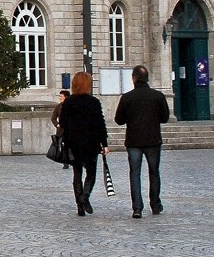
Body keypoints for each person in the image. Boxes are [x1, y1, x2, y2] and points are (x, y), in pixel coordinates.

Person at [114, 63, 171, 219]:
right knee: (154, 172)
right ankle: (155, 204)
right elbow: (165, 118)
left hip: (134, 141)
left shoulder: (127, 97)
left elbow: (119, 120)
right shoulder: (158, 96)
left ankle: (137, 208)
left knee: (135, 173)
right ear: (147, 79)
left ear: (134, 78)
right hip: (153, 140)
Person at [58, 73, 107, 216]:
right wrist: (104, 144)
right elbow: (100, 124)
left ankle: (79, 205)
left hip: (73, 141)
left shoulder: (68, 102)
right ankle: (85, 196)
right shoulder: (94, 102)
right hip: (91, 142)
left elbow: (63, 122)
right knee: (91, 173)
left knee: (77, 172)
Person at [51, 88, 71, 170]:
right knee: (62, 146)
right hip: (61, 130)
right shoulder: (58, 107)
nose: (60, 97)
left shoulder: (72, 106)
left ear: (66, 97)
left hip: (70, 130)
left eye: (61, 96)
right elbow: (53, 118)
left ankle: (72, 160)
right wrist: (57, 125)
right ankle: (66, 162)